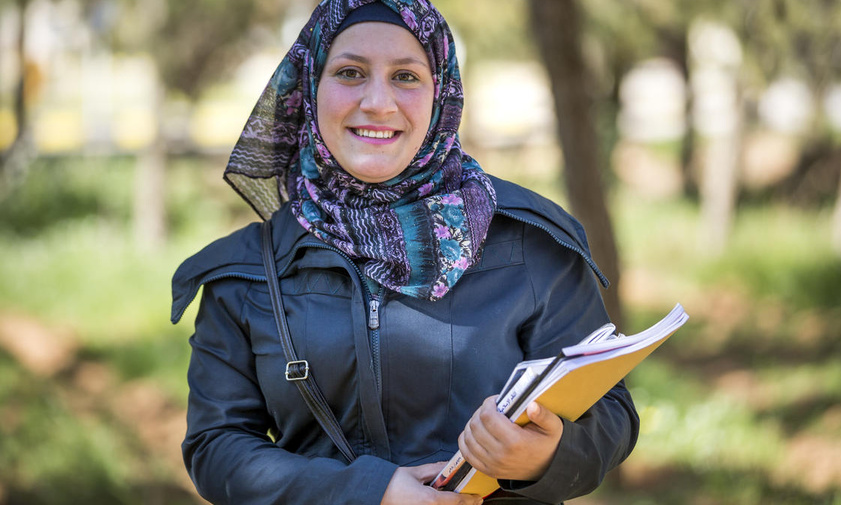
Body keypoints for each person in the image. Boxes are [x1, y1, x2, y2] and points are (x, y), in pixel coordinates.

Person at [170, 1, 639, 503]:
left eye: (407, 76)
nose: (378, 102)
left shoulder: (533, 242)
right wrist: (373, 492)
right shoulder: (243, 273)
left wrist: (544, 456)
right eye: (350, 72)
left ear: (442, 92)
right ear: (307, 89)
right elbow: (215, 446)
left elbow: (608, 414)